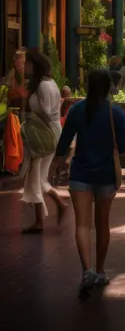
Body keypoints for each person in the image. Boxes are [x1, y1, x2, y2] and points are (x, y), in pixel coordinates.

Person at [53, 68, 125, 297]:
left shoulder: (76, 110)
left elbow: (64, 141)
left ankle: (86, 270)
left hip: (81, 174)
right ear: (108, 87)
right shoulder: (115, 113)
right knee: (102, 224)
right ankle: (101, 270)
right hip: (106, 173)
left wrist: (57, 164)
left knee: (82, 224)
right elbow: (124, 144)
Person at [21, 51, 67, 234]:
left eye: (28, 64)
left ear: (35, 65)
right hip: (47, 131)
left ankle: (57, 204)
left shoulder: (43, 86)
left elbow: (47, 112)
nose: (25, 67)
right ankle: (41, 217)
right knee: (36, 175)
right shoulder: (48, 83)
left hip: (45, 132)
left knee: (35, 175)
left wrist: (29, 118)